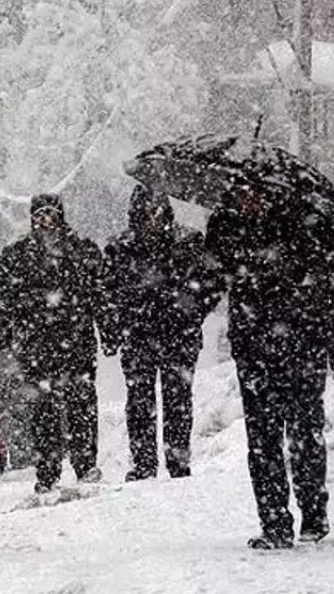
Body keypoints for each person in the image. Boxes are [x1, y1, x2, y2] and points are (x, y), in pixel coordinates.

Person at [205, 185, 334, 550]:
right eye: (242, 194)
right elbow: (210, 279)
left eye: (255, 193)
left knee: (305, 432)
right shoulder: (226, 224)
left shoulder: (306, 222)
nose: (248, 199)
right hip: (254, 348)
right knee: (262, 440)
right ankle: (274, 522)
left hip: (302, 344)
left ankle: (313, 515)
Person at [0, 193, 107, 495]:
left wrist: (109, 331)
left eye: (51, 213)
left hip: (77, 341)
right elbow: (0, 301)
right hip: (36, 344)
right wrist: (0, 338)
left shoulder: (81, 250)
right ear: (31, 218)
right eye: (40, 214)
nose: (46, 220)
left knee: (81, 405)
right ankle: (47, 471)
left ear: (62, 216)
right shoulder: (16, 255)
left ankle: (85, 464)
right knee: (44, 411)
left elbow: (102, 294)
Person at [103, 185, 219, 482]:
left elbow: (211, 284)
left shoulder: (189, 242)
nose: (151, 218)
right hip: (139, 336)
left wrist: (192, 313)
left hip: (179, 336)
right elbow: (107, 293)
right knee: (140, 402)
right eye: (145, 211)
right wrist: (120, 322)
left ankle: (178, 462)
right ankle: (144, 464)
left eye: (156, 210)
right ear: (135, 214)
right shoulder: (119, 248)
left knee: (178, 401)